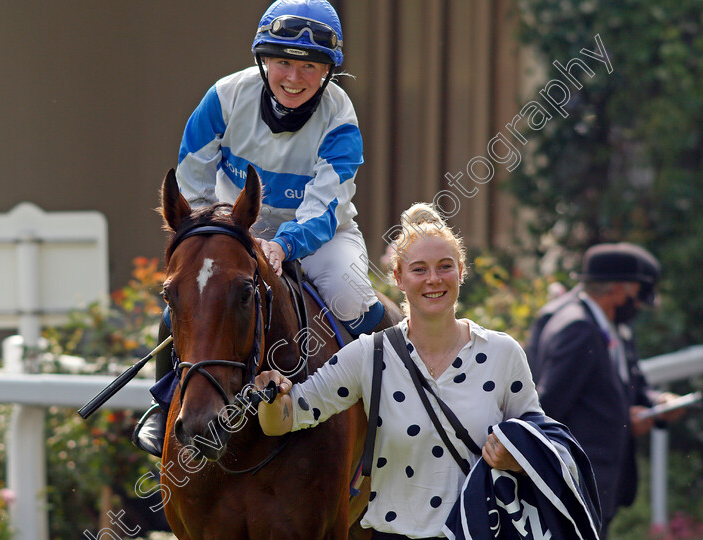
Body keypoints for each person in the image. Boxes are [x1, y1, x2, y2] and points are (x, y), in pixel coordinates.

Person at [133, 0, 391, 457]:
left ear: (328, 70)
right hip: (235, 228)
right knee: (190, 291)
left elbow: (325, 207)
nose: (294, 78)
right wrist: (217, 234)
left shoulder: (340, 117)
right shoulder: (224, 97)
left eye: (309, 66)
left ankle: (391, 409)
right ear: (262, 60)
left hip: (319, 237)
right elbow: (192, 181)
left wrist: (283, 245)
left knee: (354, 296)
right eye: (282, 63)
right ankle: (164, 403)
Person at [255, 203, 599, 539]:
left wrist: (518, 458)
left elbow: (546, 443)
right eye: (419, 269)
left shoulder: (502, 353)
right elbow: (287, 417)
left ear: (461, 271)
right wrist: (271, 394)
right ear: (399, 277)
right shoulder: (370, 354)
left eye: (445, 266)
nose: (433, 279)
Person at [529, 242, 685, 538]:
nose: (639, 304)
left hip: (602, 489)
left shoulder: (614, 326)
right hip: (576, 488)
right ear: (616, 290)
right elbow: (547, 409)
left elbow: (634, 385)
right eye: (638, 293)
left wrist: (657, 403)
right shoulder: (578, 329)